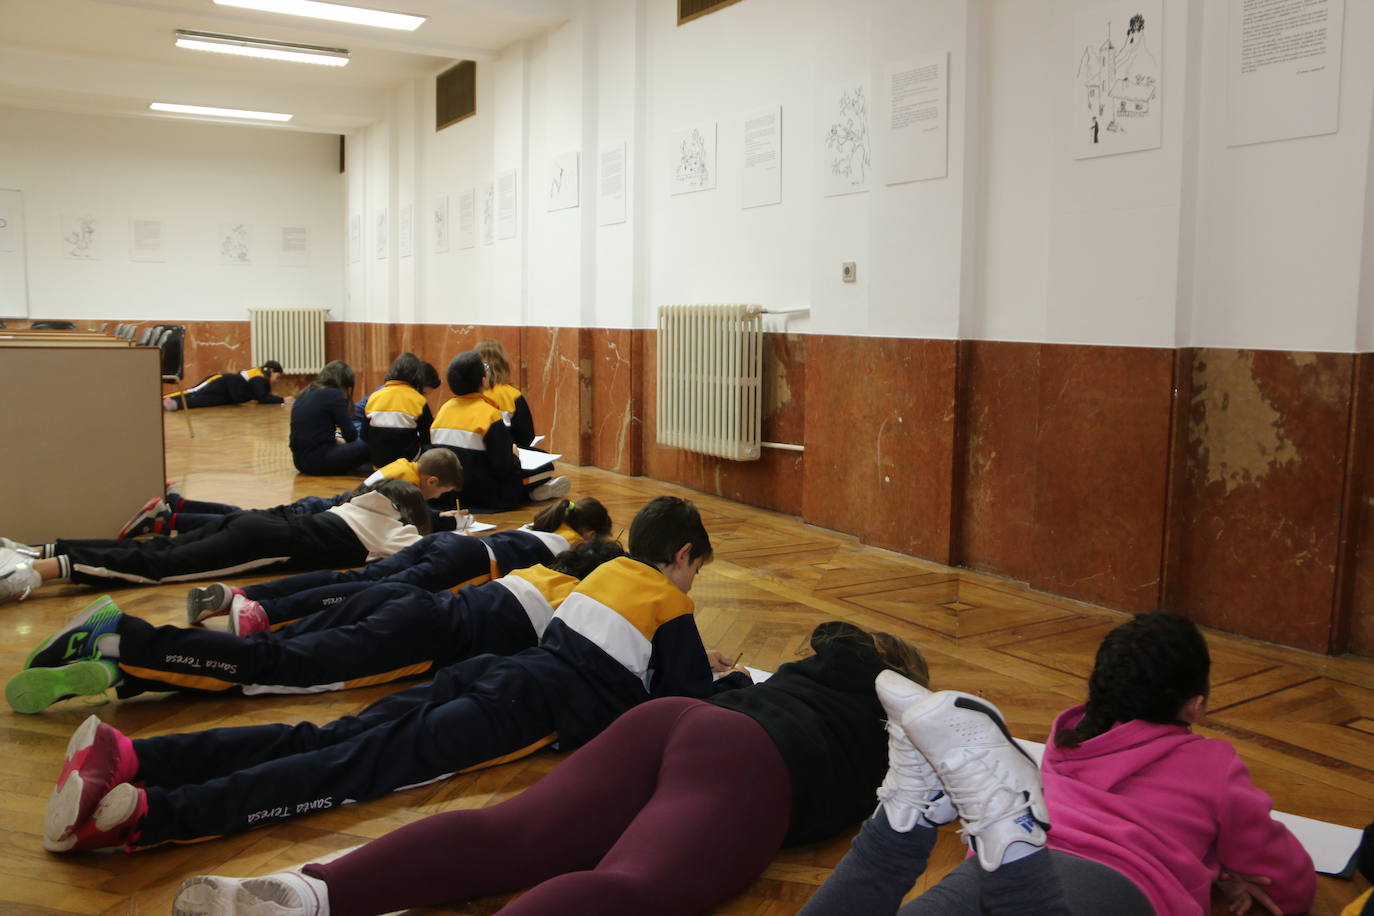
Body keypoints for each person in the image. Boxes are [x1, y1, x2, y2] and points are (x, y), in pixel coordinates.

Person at [34, 495, 733, 855]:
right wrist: (724, 680)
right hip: (516, 705)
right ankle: (153, 818)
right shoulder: (671, 605)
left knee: (329, 731)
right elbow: (684, 713)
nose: (691, 582)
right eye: (695, 567)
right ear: (680, 556)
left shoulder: (601, 571)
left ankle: (135, 756)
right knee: (357, 762)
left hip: (490, 668)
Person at [167, 620, 930, 916]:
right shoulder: (890, 726)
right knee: (636, 886)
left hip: (676, 723)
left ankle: (312, 893)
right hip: (755, 767)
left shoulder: (796, 676)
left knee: (508, 832)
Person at [794, 612, 1316, 916]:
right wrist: (1233, 867)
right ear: (1195, 705)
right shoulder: (1212, 762)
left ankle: (908, 819)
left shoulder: (1070, 737)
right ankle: (993, 842)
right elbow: (1287, 879)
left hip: (984, 878)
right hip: (1120, 888)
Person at [7, 539, 627, 712]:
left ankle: (119, 672)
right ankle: (124, 637)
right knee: (276, 671)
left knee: (272, 651)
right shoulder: (579, 608)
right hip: (413, 640)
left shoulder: (541, 574)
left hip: (403, 605)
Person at [184, 496, 612, 633]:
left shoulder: (542, 524)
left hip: (451, 545)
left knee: (358, 577)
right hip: (468, 563)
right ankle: (267, 614)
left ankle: (242, 595)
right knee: (368, 593)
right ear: (592, 536)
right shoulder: (572, 552)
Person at [0, 479, 430, 607]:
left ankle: (39, 552)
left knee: (160, 548)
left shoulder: (363, 506)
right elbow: (422, 553)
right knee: (161, 566)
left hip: (255, 520)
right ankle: (39, 573)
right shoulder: (397, 531)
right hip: (264, 542)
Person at [120, 448, 463, 538]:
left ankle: (180, 506)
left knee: (245, 516)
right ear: (430, 482)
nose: (436, 500)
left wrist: (435, 516)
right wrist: (441, 522)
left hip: (325, 505)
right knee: (243, 520)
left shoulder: (404, 466)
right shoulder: (405, 485)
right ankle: (169, 519)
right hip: (324, 514)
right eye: (441, 493)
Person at [432, 351, 568, 511]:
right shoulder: (489, 413)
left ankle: (533, 492)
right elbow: (503, 467)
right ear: (483, 380)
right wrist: (514, 456)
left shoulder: (443, 410)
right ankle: (529, 493)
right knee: (546, 467)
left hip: (451, 493)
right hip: (486, 495)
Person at [290, 360, 370, 476]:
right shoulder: (333, 394)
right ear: (344, 383)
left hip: (300, 462)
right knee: (371, 444)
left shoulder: (305, 392)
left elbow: (310, 433)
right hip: (319, 461)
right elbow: (350, 435)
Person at [361, 352, 435, 468]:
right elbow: (428, 437)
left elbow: (364, 435)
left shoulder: (374, 396)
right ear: (418, 376)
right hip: (407, 462)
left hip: (378, 462)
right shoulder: (418, 400)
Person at [476, 338, 537, 448]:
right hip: (507, 455)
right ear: (503, 364)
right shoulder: (513, 396)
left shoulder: (468, 395)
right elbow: (527, 437)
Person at [352, 359, 439, 435]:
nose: (424, 397)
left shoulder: (406, 395)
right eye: (423, 393)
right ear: (416, 383)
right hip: (358, 423)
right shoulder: (389, 393)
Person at [162, 361, 286, 411]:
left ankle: (176, 404)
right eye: (277, 377)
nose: (276, 381)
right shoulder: (259, 378)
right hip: (220, 382)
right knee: (194, 391)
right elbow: (262, 398)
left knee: (202, 401)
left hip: (227, 394)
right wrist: (283, 400)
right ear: (271, 371)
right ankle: (161, 399)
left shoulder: (259, 377)